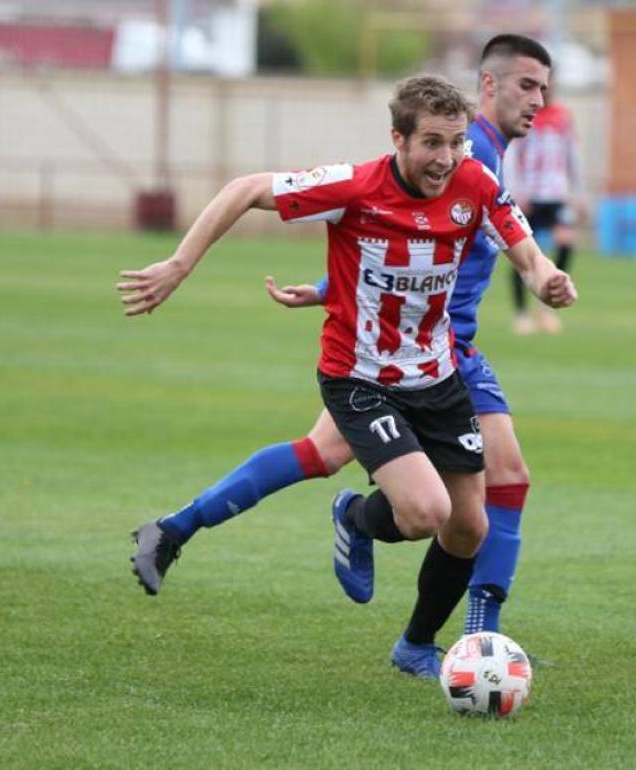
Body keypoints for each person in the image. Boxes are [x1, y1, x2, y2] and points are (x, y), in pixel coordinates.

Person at [121, 72, 576, 677]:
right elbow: (246, 187)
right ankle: (350, 516)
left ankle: (415, 645)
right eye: (432, 143)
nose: (446, 159)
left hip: (437, 376)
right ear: (399, 139)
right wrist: (180, 265)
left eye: (457, 142)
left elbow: (522, 245)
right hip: (360, 378)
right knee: (423, 513)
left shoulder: (474, 182)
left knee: (469, 525)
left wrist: (544, 277)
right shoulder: (353, 187)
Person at [267, 34, 553, 643]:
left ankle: (467, 634)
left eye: (545, 90)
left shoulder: (481, 164)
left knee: (490, 489)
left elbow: (433, 244)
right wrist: (330, 288)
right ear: (490, 86)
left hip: (444, 354)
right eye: (528, 86)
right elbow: (391, 229)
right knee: (379, 480)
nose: (538, 101)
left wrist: (545, 273)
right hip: (424, 349)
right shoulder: (467, 152)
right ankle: (464, 627)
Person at [503, 89, 583, 334]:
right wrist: (515, 190)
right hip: (529, 194)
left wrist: (578, 192)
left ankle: (546, 306)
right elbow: (512, 153)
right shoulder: (523, 116)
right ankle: (521, 313)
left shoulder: (562, 117)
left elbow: (572, 155)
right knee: (522, 254)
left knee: (566, 243)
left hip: (556, 194)